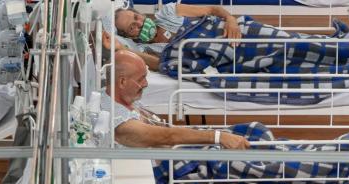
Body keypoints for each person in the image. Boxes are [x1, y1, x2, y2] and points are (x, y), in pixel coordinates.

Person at [102, 49, 250, 150]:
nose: (146, 84)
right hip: (173, 165)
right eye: (141, 79)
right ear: (122, 82)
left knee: (253, 131)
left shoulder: (117, 97)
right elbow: (167, 136)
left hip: (179, 149)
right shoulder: (121, 122)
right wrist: (218, 137)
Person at [109, 4, 241, 69]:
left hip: (231, 31)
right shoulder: (145, 50)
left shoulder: (169, 12)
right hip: (222, 55)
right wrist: (123, 49)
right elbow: (162, 64)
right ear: (127, 36)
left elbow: (212, 10)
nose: (140, 24)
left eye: (137, 17)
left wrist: (231, 20)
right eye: (132, 27)